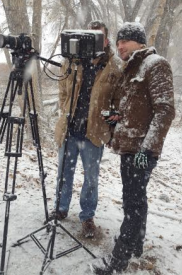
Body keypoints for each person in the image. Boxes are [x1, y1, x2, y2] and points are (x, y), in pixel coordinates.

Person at [91, 22, 175, 274]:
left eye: (125, 41)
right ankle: (136, 245)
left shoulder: (156, 64)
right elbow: (131, 112)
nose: (120, 46)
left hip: (141, 151)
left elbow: (165, 111)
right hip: (129, 148)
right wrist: (111, 119)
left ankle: (118, 261)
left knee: (133, 204)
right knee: (136, 201)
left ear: (140, 42)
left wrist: (146, 150)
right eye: (117, 42)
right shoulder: (131, 70)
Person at [49, 20, 121, 238]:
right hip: (69, 131)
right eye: (89, 35)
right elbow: (62, 90)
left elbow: (118, 103)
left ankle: (87, 216)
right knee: (64, 173)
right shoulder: (72, 61)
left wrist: (107, 125)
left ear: (106, 40)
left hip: (94, 134)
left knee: (91, 177)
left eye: (98, 36)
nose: (93, 40)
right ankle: (61, 209)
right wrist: (66, 109)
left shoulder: (115, 67)